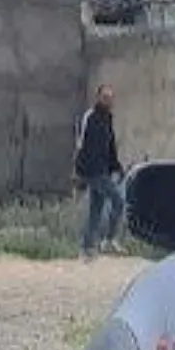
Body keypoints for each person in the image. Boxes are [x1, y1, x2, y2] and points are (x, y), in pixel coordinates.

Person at [74, 83, 125, 262]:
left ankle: (87, 248)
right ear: (98, 98)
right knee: (118, 201)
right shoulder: (90, 117)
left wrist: (116, 166)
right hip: (92, 171)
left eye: (110, 98)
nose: (108, 101)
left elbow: (110, 146)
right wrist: (80, 171)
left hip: (103, 169)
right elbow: (81, 145)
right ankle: (109, 240)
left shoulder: (108, 118)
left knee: (95, 209)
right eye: (105, 97)